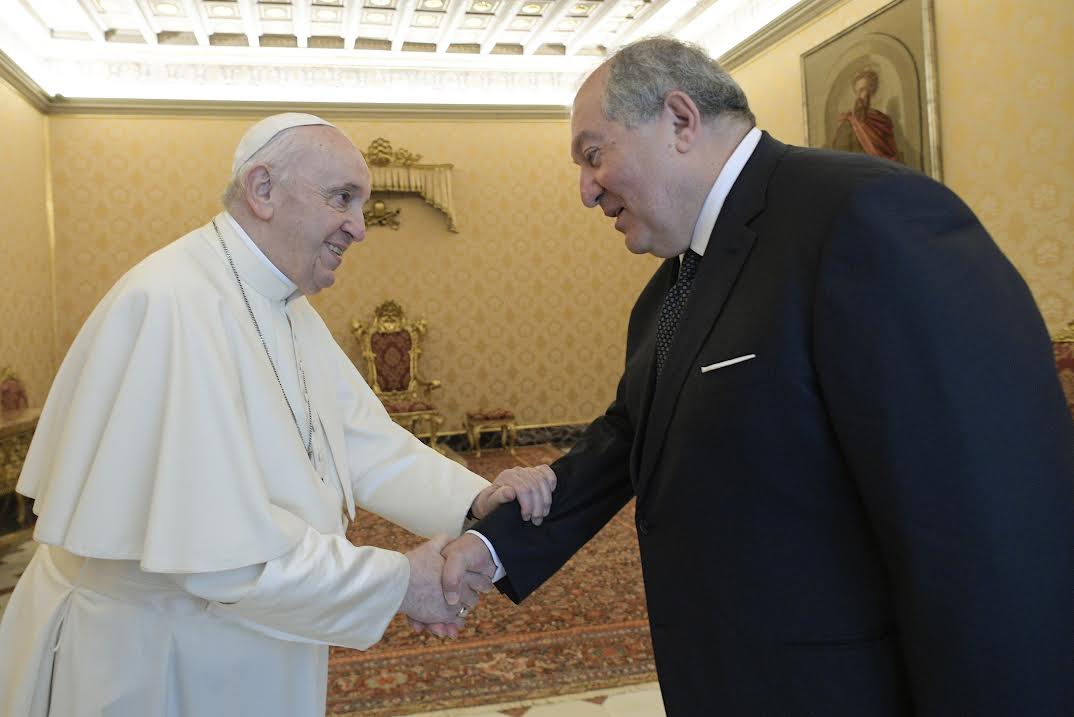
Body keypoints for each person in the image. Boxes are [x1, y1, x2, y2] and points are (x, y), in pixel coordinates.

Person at [441, 37, 1074, 715]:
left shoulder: (869, 215)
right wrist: (493, 546)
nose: (585, 190)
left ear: (680, 120)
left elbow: (985, 522)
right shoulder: (668, 291)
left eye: (594, 154)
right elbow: (629, 434)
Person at [0, 113, 555, 716]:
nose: (359, 228)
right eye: (342, 198)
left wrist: (475, 502)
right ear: (262, 189)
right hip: (160, 655)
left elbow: (362, 440)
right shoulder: (173, 303)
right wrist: (400, 582)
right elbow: (223, 556)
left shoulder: (284, 303)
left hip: (253, 634)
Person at [829, 67, 900, 161]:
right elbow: (840, 158)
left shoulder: (884, 122)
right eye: (857, 91)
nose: (858, 96)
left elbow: (893, 155)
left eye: (863, 90)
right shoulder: (848, 124)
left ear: (873, 91)